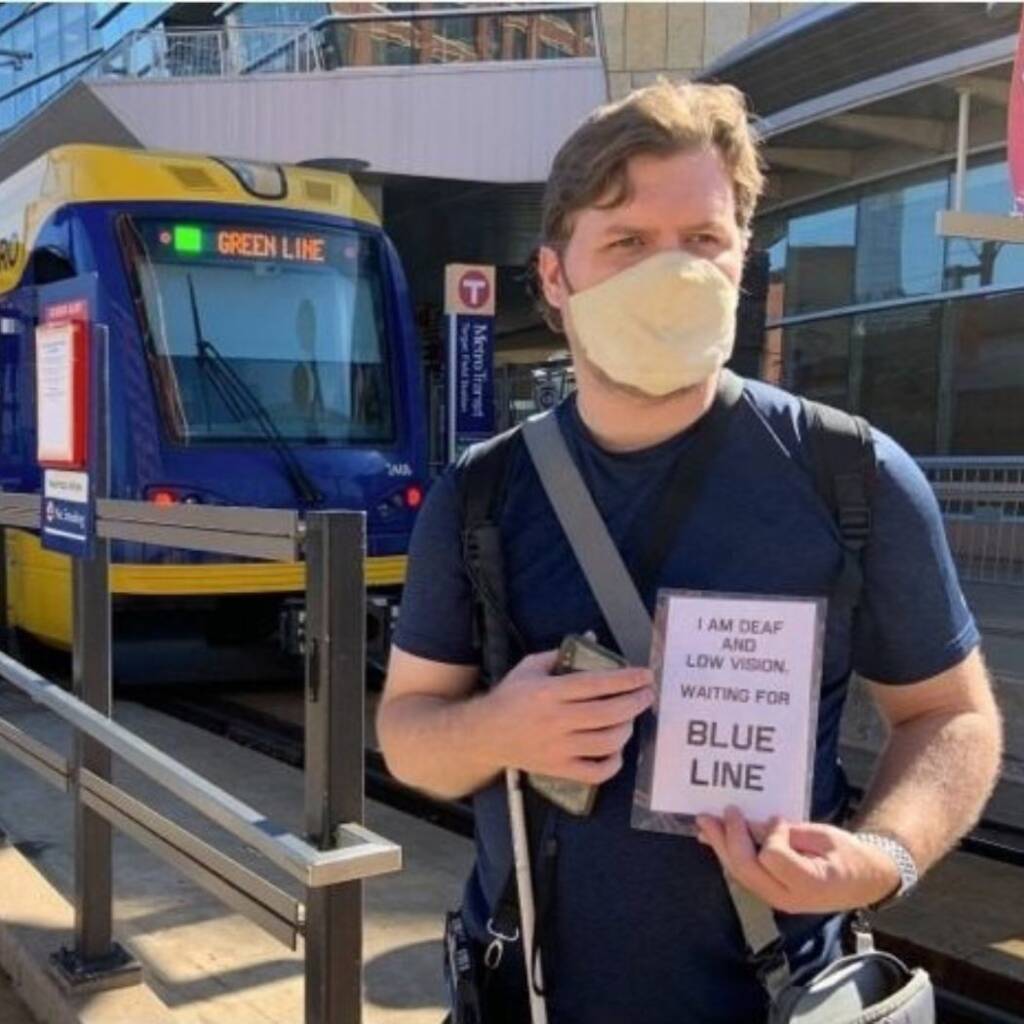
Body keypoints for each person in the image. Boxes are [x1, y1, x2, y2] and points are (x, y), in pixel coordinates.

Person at [377, 80, 1003, 1023]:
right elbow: (409, 734)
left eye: (703, 240)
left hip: (779, 999)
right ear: (555, 277)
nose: (671, 273)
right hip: (525, 1000)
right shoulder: (482, 494)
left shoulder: (855, 477)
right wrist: (498, 729)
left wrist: (883, 858)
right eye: (627, 242)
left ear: (742, 256)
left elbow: (952, 716)